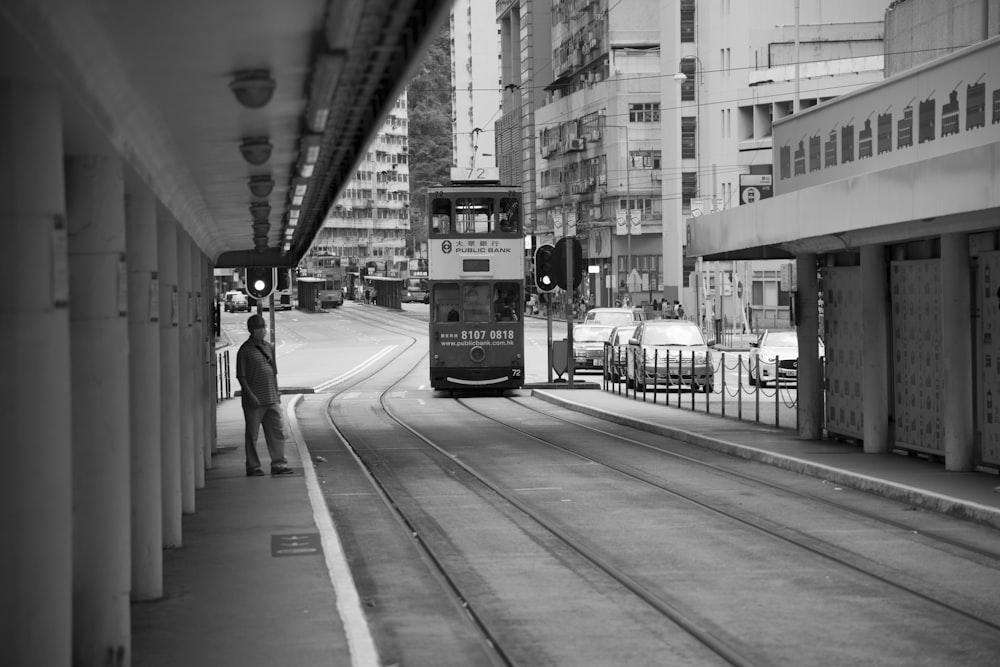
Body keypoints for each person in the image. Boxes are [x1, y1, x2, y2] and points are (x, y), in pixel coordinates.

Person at [236, 314, 294, 476]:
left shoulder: (268, 347)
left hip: (271, 398)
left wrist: (277, 393)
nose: (262, 331)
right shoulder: (245, 350)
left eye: (263, 327)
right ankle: (253, 467)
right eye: (259, 328)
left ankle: (279, 464)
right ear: (251, 330)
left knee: (277, 432)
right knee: (252, 435)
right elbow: (241, 376)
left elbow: (273, 372)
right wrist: (250, 395)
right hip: (254, 401)